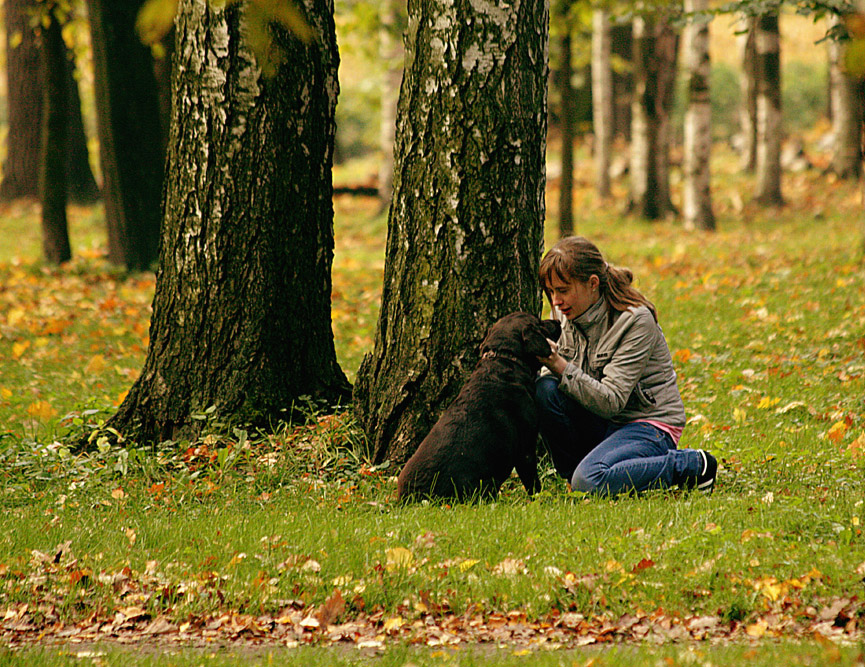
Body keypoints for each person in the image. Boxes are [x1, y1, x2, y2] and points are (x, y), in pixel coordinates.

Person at [534, 236, 717, 496]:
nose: (555, 301)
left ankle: (692, 464)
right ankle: (576, 477)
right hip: (603, 422)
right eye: (551, 292)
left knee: (589, 480)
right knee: (546, 388)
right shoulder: (567, 313)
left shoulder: (635, 321)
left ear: (593, 284)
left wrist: (558, 364)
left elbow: (612, 400)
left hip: (647, 425)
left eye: (563, 290)